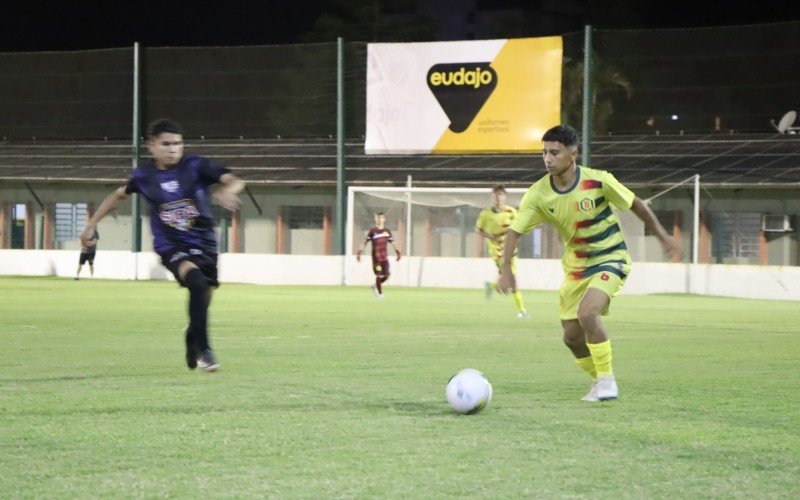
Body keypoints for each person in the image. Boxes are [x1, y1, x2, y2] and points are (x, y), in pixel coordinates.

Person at [498, 125, 679, 402]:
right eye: (544, 152)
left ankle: (608, 381)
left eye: (554, 152)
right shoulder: (538, 194)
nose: (547, 158)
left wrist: (663, 236)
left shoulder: (599, 181)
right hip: (576, 270)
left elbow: (636, 204)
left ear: (573, 154)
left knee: (588, 313)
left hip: (611, 259)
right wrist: (506, 271)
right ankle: (599, 379)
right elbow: (514, 233)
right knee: (571, 338)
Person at [79, 118, 243, 372]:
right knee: (196, 282)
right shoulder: (144, 175)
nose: (172, 149)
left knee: (203, 294)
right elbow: (119, 195)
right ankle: (205, 350)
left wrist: (229, 190)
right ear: (151, 146)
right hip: (170, 245)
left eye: (177, 143)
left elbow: (233, 179)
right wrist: (92, 223)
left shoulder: (196, 166)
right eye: (165, 144)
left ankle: (192, 335)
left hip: (204, 243)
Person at [475, 184, 527, 318]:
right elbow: (478, 230)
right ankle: (521, 310)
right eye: (496, 194)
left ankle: (521, 311)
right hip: (497, 253)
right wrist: (490, 236)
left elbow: (519, 227)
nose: (498, 197)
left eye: (501, 194)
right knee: (509, 282)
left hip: (511, 250)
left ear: (505, 197)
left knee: (511, 279)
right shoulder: (485, 214)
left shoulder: (511, 212)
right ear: (493, 196)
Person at [355, 212, 401, 298]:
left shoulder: (387, 231)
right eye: (378, 218)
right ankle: (379, 293)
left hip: (384, 257)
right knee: (379, 274)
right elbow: (365, 242)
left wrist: (398, 252)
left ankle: (375, 285)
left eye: (381, 218)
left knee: (387, 275)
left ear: (384, 219)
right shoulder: (373, 231)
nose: (380, 220)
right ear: (376, 219)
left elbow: (393, 242)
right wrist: (359, 252)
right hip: (376, 258)